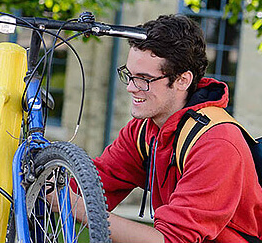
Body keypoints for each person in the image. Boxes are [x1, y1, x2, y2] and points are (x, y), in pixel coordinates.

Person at [71, 14, 262, 242]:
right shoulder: (142, 131)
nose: (131, 88)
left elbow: (170, 240)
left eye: (144, 79)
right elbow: (91, 185)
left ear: (183, 80)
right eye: (129, 75)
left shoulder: (218, 143)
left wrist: (78, 208)